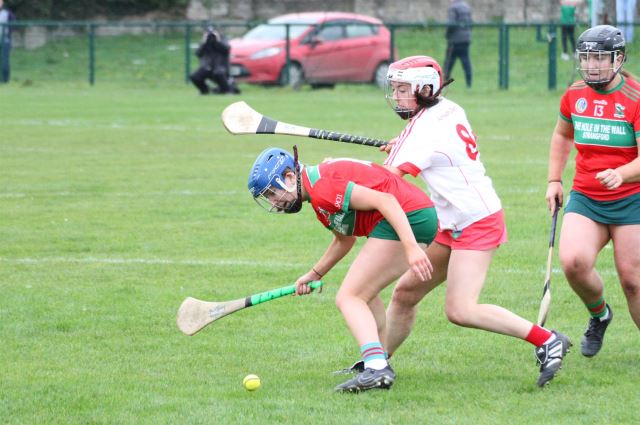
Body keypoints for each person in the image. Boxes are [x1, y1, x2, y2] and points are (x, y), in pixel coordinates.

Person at [339, 55, 572, 388]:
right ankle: (378, 364)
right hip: (449, 221)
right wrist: (400, 147)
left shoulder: (424, 129)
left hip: (476, 221)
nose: (397, 96)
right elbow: (422, 146)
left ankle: (548, 340)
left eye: (403, 89)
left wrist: (339, 169)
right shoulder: (446, 109)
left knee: (460, 309)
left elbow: (385, 180)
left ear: (425, 89)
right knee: (405, 293)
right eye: (396, 88)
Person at [247, 147, 438, 392]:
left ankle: (377, 368)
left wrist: (411, 247)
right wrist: (314, 274)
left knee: (350, 297)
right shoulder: (317, 196)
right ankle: (377, 361)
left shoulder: (322, 187)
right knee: (366, 296)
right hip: (410, 215)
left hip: (409, 217)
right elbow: (344, 240)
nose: (274, 202)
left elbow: (386, 200)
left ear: (290, 177)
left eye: (272, 193)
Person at [545, 25, 640, 360]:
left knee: (632, 280)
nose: (592, 65)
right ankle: (600, 315)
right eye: (586, 58)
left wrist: (622, 173)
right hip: (587, 196)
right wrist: (554, 180)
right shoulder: (574, 94)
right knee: (574, 263)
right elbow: (562, 135)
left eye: (599, 58)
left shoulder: (635, 98)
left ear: (618, 59)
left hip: (633, 199)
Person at [190, 26, 240, 95]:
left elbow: (226, 49)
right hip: (206, 67)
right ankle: (204, 91)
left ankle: (227, 90)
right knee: (194, 76)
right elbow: (198, 53)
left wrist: (218, 40)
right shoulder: (204, 43)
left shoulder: (222, 40)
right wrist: (204, 42)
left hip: (221, 67)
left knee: (218, 73)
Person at [444, 0, 473, 88]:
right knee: (466, 62)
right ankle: (469, 84)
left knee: (448, 63)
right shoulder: (467, 7)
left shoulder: (453, 8)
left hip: (454, 40)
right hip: (466, 39)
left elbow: (451, 24)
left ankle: (444, 84)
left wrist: (447, 35)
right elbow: (471, 23)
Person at [0, 0, 15, 83]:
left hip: (4, 40)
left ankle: (5, 80)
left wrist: (8, 34)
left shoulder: (7, 13)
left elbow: (13, 24)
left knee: (5, 61)